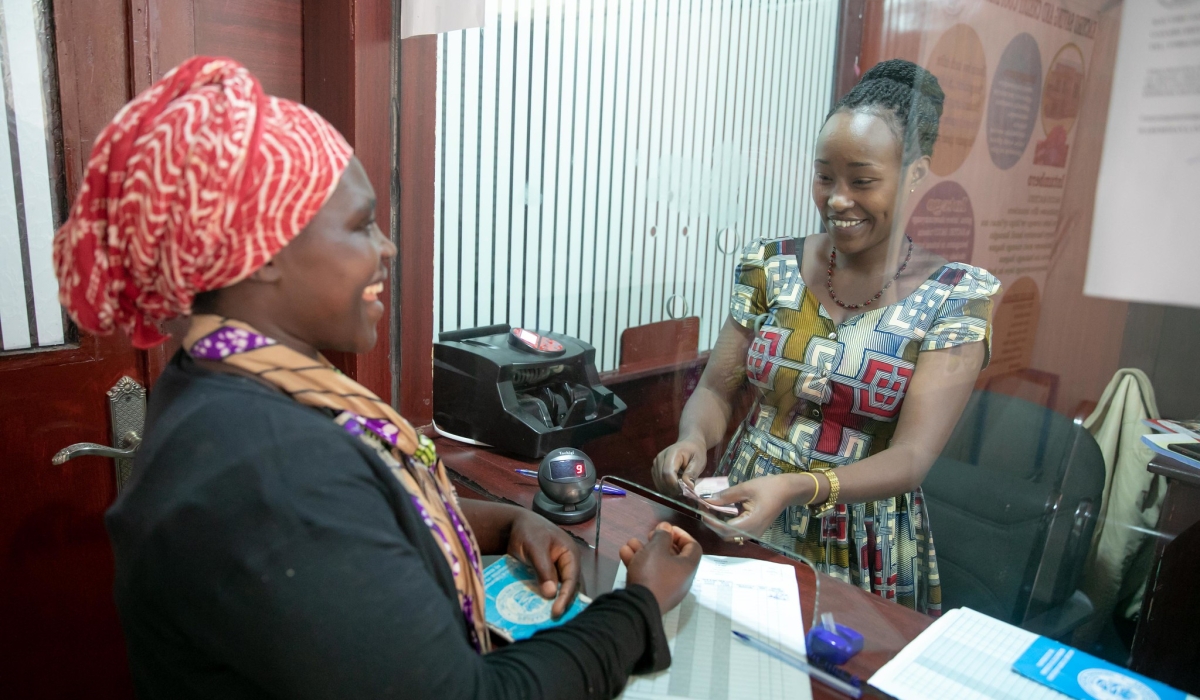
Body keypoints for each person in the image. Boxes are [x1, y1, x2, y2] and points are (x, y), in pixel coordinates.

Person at [53, 57, 700, 700]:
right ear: (264, 251)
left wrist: (505, 522)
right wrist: (640, 603)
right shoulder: (271, 467)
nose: (387, 248)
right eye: (361, 225)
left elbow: (365, 512)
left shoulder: (223, 376)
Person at [652, 59, 1000, 615]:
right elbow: (717, 389)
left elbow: (911, 457)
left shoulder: (954, 298)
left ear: (914, 174)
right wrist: (693, 440)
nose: (837, 199)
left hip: (858, 537)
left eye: (862, 181)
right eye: (824, 177)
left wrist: (798, 487)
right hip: (742, 510)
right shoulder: (770, 265)